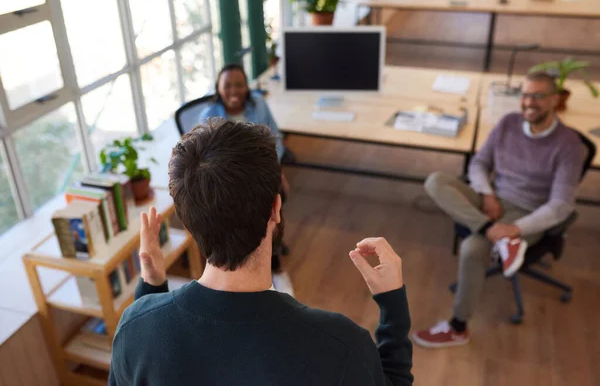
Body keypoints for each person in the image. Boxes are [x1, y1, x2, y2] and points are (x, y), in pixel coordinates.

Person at [108, 120, 413, 385]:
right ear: (276, 208)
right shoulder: (342, 347)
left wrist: (151, 289)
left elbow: (146, 345)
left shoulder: (134, 328)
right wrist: (393, 306)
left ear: (187, 219)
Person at [413, 72, 586, 349]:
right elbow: (480, 163)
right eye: (525, 95)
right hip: (493, 203)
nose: (529, 102)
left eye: (538, 96)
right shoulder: (508, 123)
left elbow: (561, 205)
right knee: (436, 181)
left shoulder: (569, 147)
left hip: (528, 213)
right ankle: (492, 233)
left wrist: (515, 229)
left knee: (471, 249)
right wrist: (487, 193)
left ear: (555, 100)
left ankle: (458, 328)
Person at [199, 63, 291, 279]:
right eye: (227, 85)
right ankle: (258, 248)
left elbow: (275, 139)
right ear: (218, 88)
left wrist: (277, 170)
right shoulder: (208, 116)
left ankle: (271, 245)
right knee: (247, 208)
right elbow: (204, 156)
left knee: (278, 196)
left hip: (261, 171)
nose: (234, 91)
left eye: (239, 85)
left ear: (247, 87)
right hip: (227, 179)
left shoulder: (259, 104)